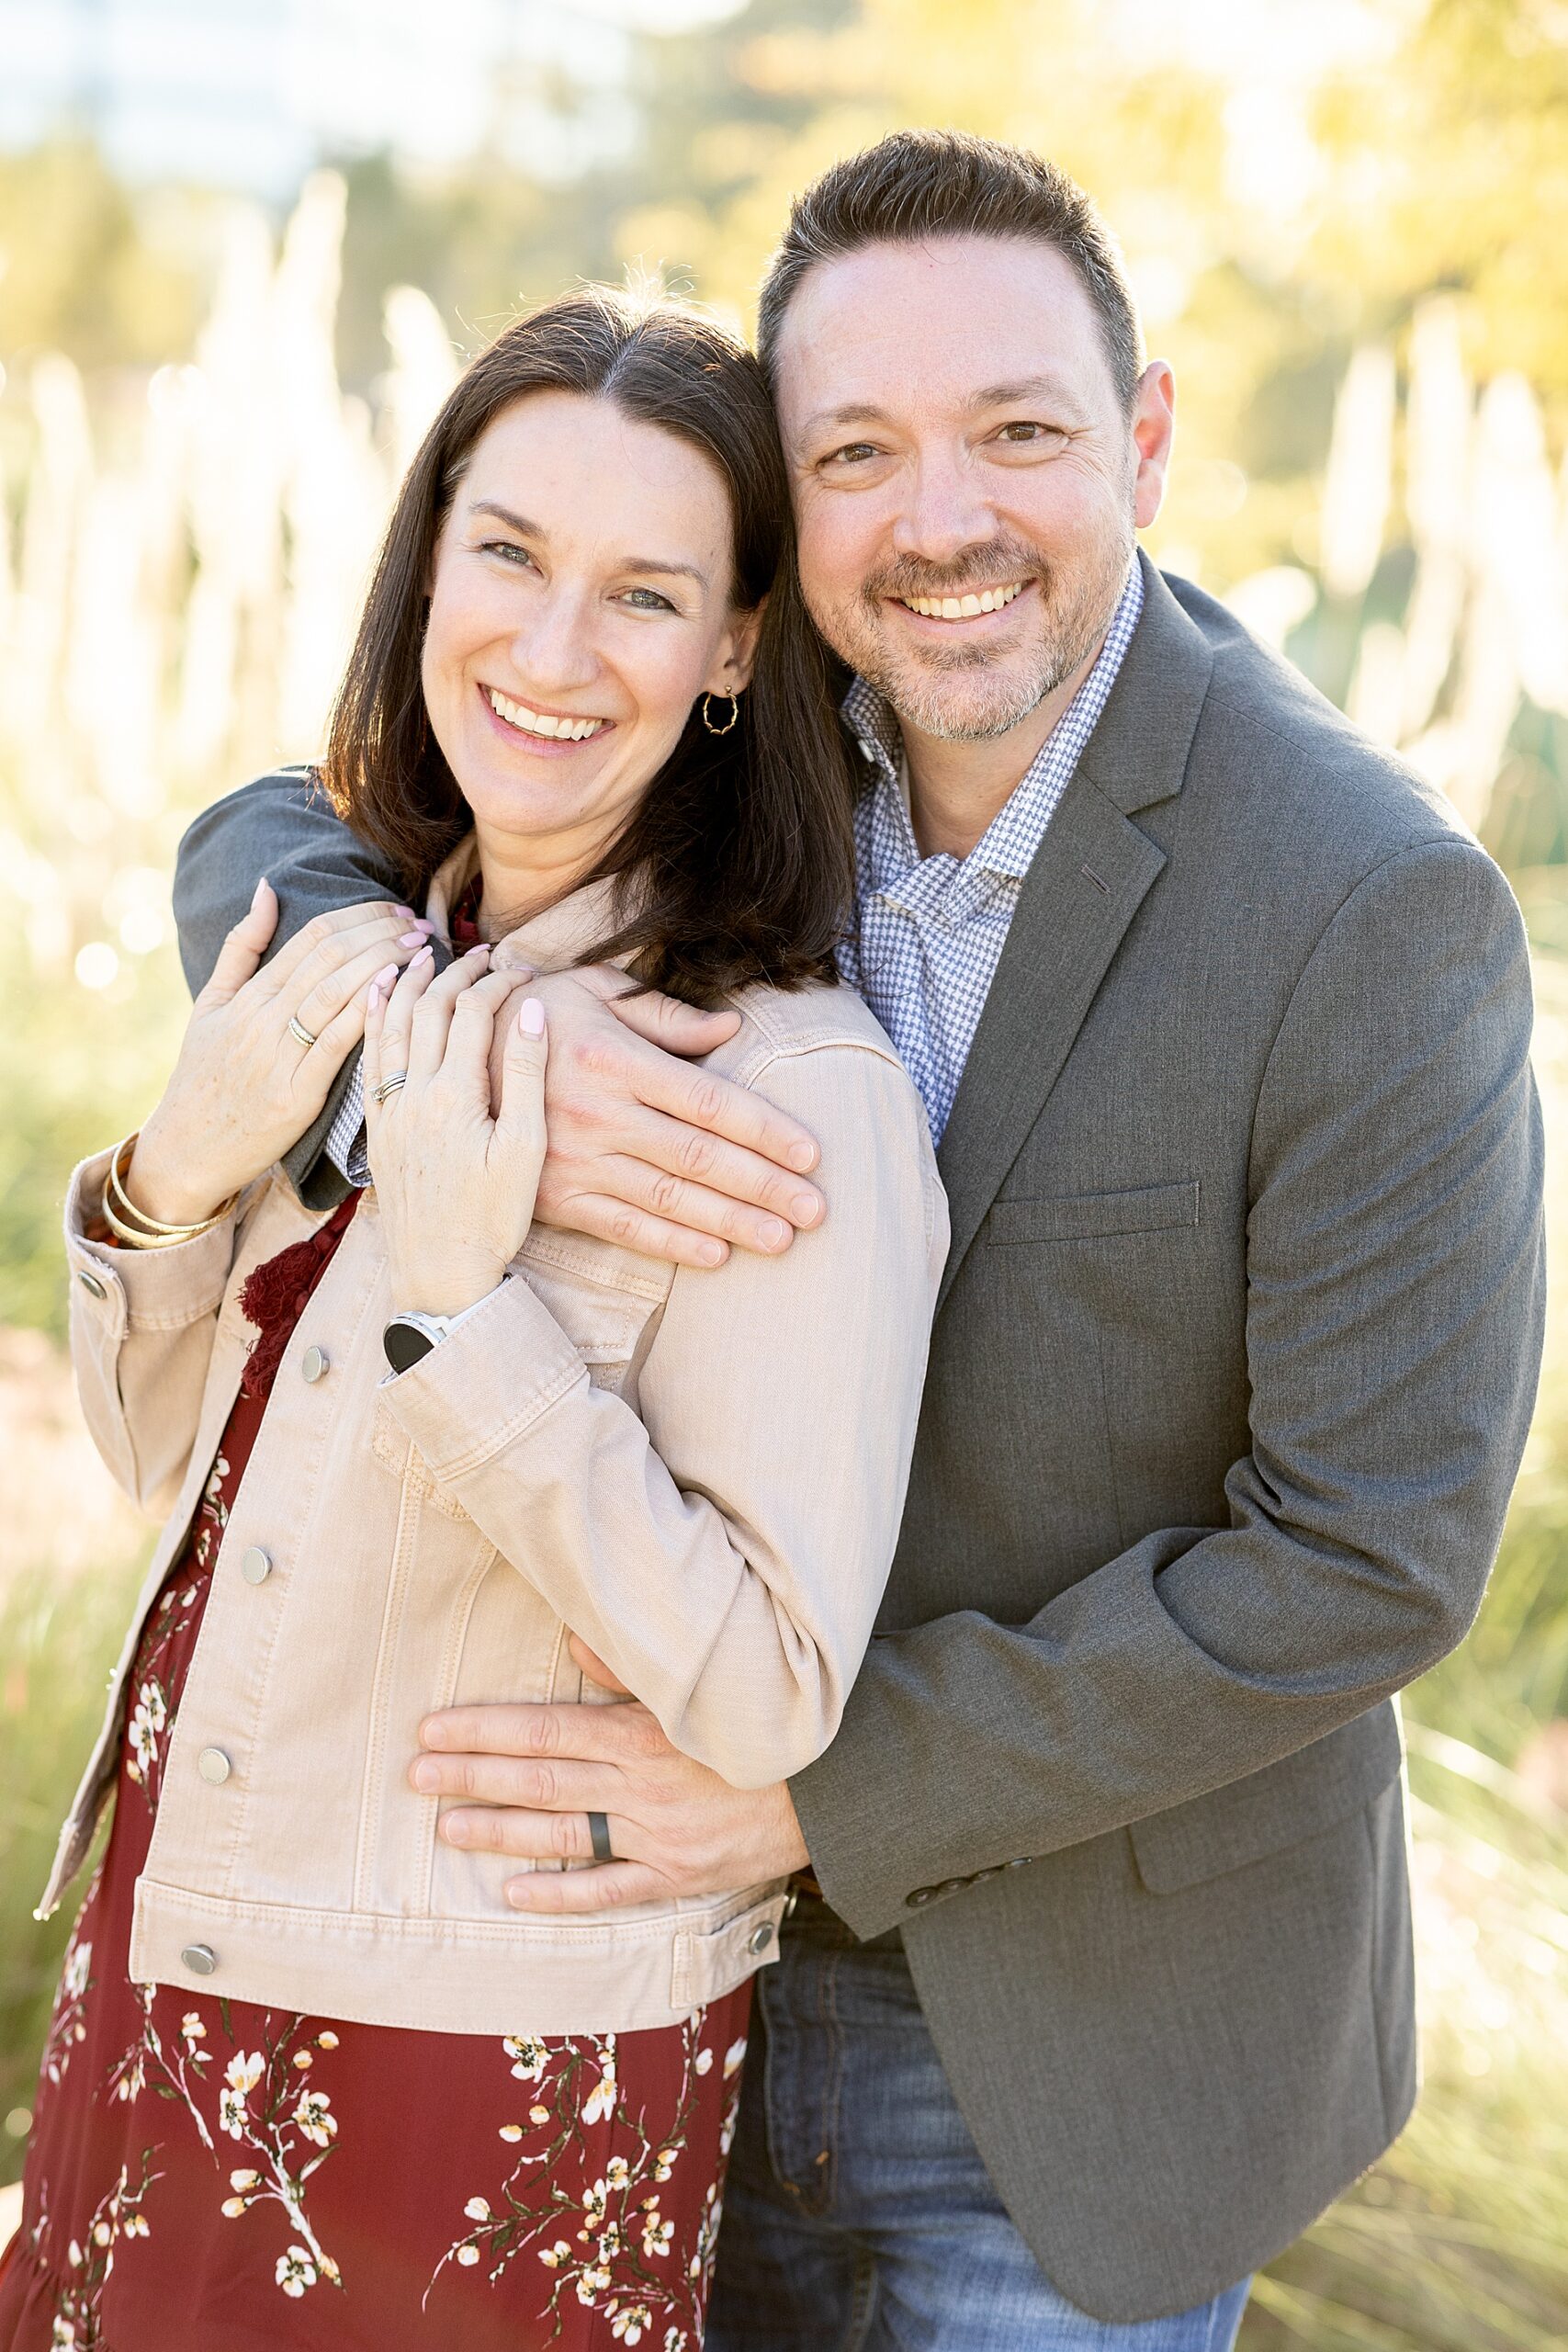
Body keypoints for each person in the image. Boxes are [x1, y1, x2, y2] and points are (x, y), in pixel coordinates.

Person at [170, 133, 1544, 2352]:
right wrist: (394, 1054)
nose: (940, 522)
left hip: (1074, 2047)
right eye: (855, 454)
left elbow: (1367, 1554)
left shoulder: (1367, 908)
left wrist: (808, 1791)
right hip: (622, 1983)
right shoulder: (742, 715)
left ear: (1148, 441)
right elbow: (276, 825)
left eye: (1018, 433)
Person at [3, 288, 944, 2352]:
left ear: (732, 653)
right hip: (176, 1959)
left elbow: (768, 1679)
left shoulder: (780, 1102)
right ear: (427, 556)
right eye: (506, 551)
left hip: (466, 2084)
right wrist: (177, 1164)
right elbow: (170, 1456)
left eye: (641, 593)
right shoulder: (357, 963)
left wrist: (458, 1303)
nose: (543, 645)